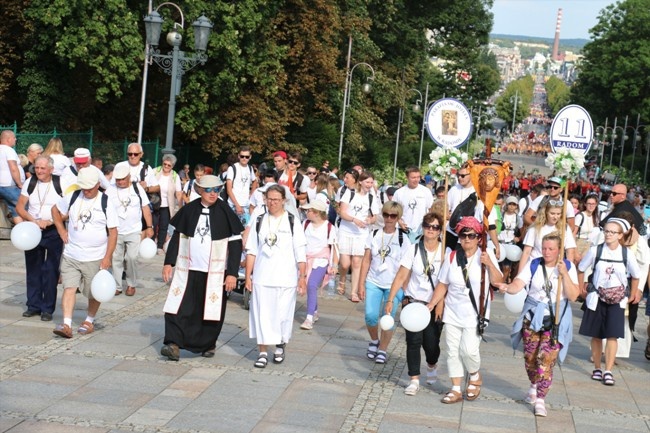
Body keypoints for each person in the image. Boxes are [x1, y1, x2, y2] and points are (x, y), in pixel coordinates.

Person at [496, 232, 579, 417]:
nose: (547, 252)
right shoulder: (534, 264)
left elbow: (574, 295)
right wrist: (508, 287)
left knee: (545, 359)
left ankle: (541, 399)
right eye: (544, 248)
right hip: (533, 316)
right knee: (530, 358)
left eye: (551, 249)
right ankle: (533, 384)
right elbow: (519, 282)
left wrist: (564, 275)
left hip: (556, 318)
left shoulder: (566, 266)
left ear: (559, 250)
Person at [161, 175, 244, 361]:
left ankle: (207, 344)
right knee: (178, 306)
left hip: (214, 273)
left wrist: (231, 273)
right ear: (199, 190)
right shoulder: (189, 210)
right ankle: (173, 343)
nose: (213, 193)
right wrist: (169, 262)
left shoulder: (225, 212)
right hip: (187, 269)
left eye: (217, 190)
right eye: (208, 190)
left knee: (209, 310)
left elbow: (235, 244)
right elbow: (177, 236)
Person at [428, 216, 503, 404]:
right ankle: (455, 388)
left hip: (475, 312)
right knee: (453, 351)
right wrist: (432, 303)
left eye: (472, 235)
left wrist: (490, 264)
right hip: (453, 311)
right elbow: (443, 284)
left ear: (479, 238)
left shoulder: (486, 254)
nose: (467, 239)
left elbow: (498, 281)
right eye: (463, 235)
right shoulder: (453, 256)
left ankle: (475, 375)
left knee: (468, 350)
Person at [51, 167, 118, 338]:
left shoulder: (106, 202)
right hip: (71, 254)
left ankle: (89, 319)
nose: (86, 191)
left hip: (95, 256)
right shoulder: (73, 196)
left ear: (97, 185)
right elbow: (55, 210)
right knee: (69, 287)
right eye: (84, 187)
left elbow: (113, 232)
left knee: (93, 292)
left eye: (89, 188)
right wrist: (61, 230)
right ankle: (66, 324)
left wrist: (107, 257)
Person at [245, 184, 307, 368]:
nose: (272, 203)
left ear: (284, 201)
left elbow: (300, 250)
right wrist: (248, 275)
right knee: (261, 313)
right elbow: (252, 250)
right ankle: (262, 351)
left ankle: (280, 345)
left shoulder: (292, 221)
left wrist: (302, 276)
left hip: (286, 276)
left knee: (283, 314)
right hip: (263, 276)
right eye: (269, 199)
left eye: (276, 200)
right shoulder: (259, 220)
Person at [578, 218, 641, 386]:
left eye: (613, 232)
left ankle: (608, 370)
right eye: (606, 231)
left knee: (612, 335)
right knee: (596, 335)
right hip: (597, 297)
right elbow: (581, 268)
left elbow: (636, 275)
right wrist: (580, 288)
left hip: (617, 299)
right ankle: (597, 368)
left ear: (621, 235)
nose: (608, 234)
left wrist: (632, 294)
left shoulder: (626, 254)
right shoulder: (596, 251)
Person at [387, 212, 444, 395]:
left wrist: (440, 304)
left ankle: (432, 363)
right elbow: (401, 275)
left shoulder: (446, 252)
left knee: (431, 345)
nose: (431, 230)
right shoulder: (413, 249)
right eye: (428, 226)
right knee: (413, 341)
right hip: (413, 302)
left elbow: (447, 282)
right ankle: (414, 379)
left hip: (433, 304)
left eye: (435, 227)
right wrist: (391, 299)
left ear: (440, 230)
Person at [358, 202, 411, 364]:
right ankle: (374, 340)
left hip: (393, 285)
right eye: (386, 214)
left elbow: (406, 267)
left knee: (387, 319)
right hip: (373, 281)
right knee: (370, 316)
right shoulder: (374, 234)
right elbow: (366, 260)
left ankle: (383, 349)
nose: (389, 218)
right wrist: (360, 284)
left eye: (393, 216)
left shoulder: (403, 238)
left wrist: (405, 290)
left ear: (398, 218)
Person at [15, 156, 65, 321]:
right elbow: (20, 206)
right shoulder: (31, 183)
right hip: (33, 229)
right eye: (37, 168)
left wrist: (52, 221)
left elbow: (68, 209)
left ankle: (47, 308)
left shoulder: (60, 183)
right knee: (33, 269)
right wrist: (33, 220)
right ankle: (33, 305)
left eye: (43, 168)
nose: (39, 171)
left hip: (53, 230)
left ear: (51, 169)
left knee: (50, 270)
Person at [106, 164, 153, 296]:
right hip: (116, 230)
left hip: (134, 229)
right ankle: (117, 286)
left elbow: (145, 208)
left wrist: (149, 227)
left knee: (131, 257)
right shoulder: (111, 189)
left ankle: (131, 284)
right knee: (116, 258)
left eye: (122, 179)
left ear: (129, 177)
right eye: (117, 179)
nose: (120, 182)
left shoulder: (137, 188)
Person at [337, 171, 380, 302]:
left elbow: (375, 217)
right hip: (346, 230)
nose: (370, 185)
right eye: (367, 182)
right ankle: (343, 279)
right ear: (360, 182)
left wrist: (369, 220)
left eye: (372, 182)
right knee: (345, 264)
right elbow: (342, 213)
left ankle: (354, 292)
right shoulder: (349, 194)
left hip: (362, 233)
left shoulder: (371, 197)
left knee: (356, 262)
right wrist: (354, 220)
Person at [300, 200, 337, 330]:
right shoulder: (305, 224)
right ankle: (314, 311)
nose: (306, 212)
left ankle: (309, 318)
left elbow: (334, 248)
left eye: (308, 210)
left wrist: (333, 266)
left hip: (321, 260)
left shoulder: (329, 227)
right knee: (308, 285)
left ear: (316, 213)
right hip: (305, 259)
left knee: (311, 284)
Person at [518, 199, 576, 274]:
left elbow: (570, 252)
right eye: (552, 213)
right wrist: (519, 274)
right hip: (536, 266)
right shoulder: (535, 228)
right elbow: (526, 252)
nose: (555, 217)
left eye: (558, 214)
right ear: (546, 213)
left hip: (555, 269)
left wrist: (568, 272)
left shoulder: (565, 228)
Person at [393, 166, 434, 243]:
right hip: (404, 230)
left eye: (418, 177)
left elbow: (431, 209)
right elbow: (394, 211)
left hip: (421, 231)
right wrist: (399, 222)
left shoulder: (425, 191)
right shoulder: (399, 193)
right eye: (413, 177)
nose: (416, 180)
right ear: (407, 178)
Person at [154, 154, 183, 254]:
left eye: (168, 165)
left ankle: (160, 246)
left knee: (163, 225)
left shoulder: (175, 176)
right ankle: (152, 243)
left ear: (172, 166)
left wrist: (180, 207)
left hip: (167, 205)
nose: (166, 166)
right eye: (164, 164)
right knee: (153, 223)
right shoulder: (155, 171)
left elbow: (179, 193)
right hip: (154, 203)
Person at [225, 146, 258, 225]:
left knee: (246, 230)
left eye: (246, 157)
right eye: (242, 156)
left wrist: (251, 193)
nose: (244, 158)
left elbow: (254, 181)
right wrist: (237, 205)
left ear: (250, 157)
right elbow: (228, 189)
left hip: (246, 204)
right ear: (238, 156)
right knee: (233, 231)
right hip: (233, 204)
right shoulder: (232, 168)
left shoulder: (250, 168)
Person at [0, 130, 24, 225]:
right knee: (22, 207)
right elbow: (13, 168)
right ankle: (24, 232)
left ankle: (20, 231)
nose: (15, 139)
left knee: (15, 209)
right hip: (9, 185)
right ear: (9, 139)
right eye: (14, 138)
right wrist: (19, 184)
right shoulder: (9, 150)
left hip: (3, 185)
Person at [498, 196, 522, 283]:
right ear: (506, 205)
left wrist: (519, 238)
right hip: (500, 242)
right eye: (510, 204)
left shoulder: (518, 218)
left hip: (511, 244)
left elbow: (523, 229)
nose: (512, 206)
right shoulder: (501, 215)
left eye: (514, 204)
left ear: (516, 206)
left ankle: (500, 283)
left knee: (506, 267)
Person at [573, 194, 600, 264]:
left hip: (588, 245)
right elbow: (573, 234)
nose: (591, 206)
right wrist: (575, 252)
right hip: (578, 243)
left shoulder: (595, 217)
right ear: (585, 204)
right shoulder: (580, 216)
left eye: (593, 204)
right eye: (589, 204)